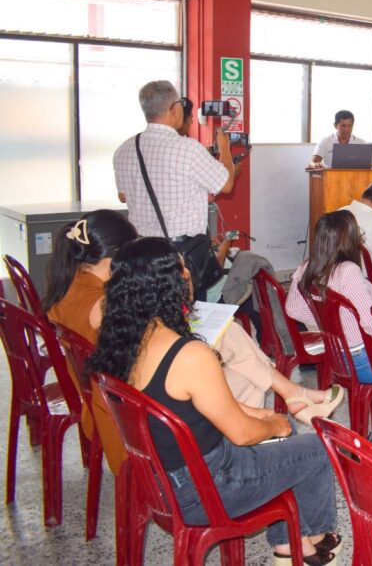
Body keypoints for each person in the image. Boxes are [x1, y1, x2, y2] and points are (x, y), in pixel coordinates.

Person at [86, 238, 339, 565]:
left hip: (160, 480)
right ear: (170, 286)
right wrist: (276, 426)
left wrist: (258, 414)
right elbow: (242, 435)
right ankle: (310, 540)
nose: (189, 275)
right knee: (315, 447)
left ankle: (293, 542)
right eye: (183, 271)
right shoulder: (188, 354)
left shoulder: (118, 340)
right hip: (207, 489)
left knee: (281, 433)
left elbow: (190, 406)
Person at [44, 210, 344, 433]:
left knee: (230, 335)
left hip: (114, 397)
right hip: (137, 414)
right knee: (237, 363)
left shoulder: (70, 288)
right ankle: (237, 447)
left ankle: (290, 395)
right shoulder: (103, 304)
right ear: (117, 256)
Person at [112, 80, 235, 300]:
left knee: (151, 310)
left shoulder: (124, 149)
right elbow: (226, 184)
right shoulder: (187, 148)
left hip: (141, 254)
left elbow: (123, 196)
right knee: (189, 312)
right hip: (180, 257)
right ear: (173, 108)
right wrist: (225, 149)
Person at [286, 210, 372, 384]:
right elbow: (368, 321)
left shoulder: (308, 266)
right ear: (349, 239)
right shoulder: (348, 271)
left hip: (335, 355)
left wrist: (332, 323)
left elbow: (293, 309)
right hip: (363, 362)